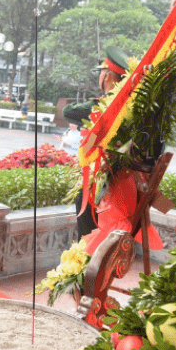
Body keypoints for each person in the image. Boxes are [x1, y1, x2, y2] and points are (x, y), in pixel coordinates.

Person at [63, 44, 130, 237]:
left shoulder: (106, 105)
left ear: (107, 76)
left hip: (107, 180)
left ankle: (88, 251)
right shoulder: (130, 102)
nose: (99, 76)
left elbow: (69, 112)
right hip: (127, 180)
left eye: (101, 72)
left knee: (82, 200)